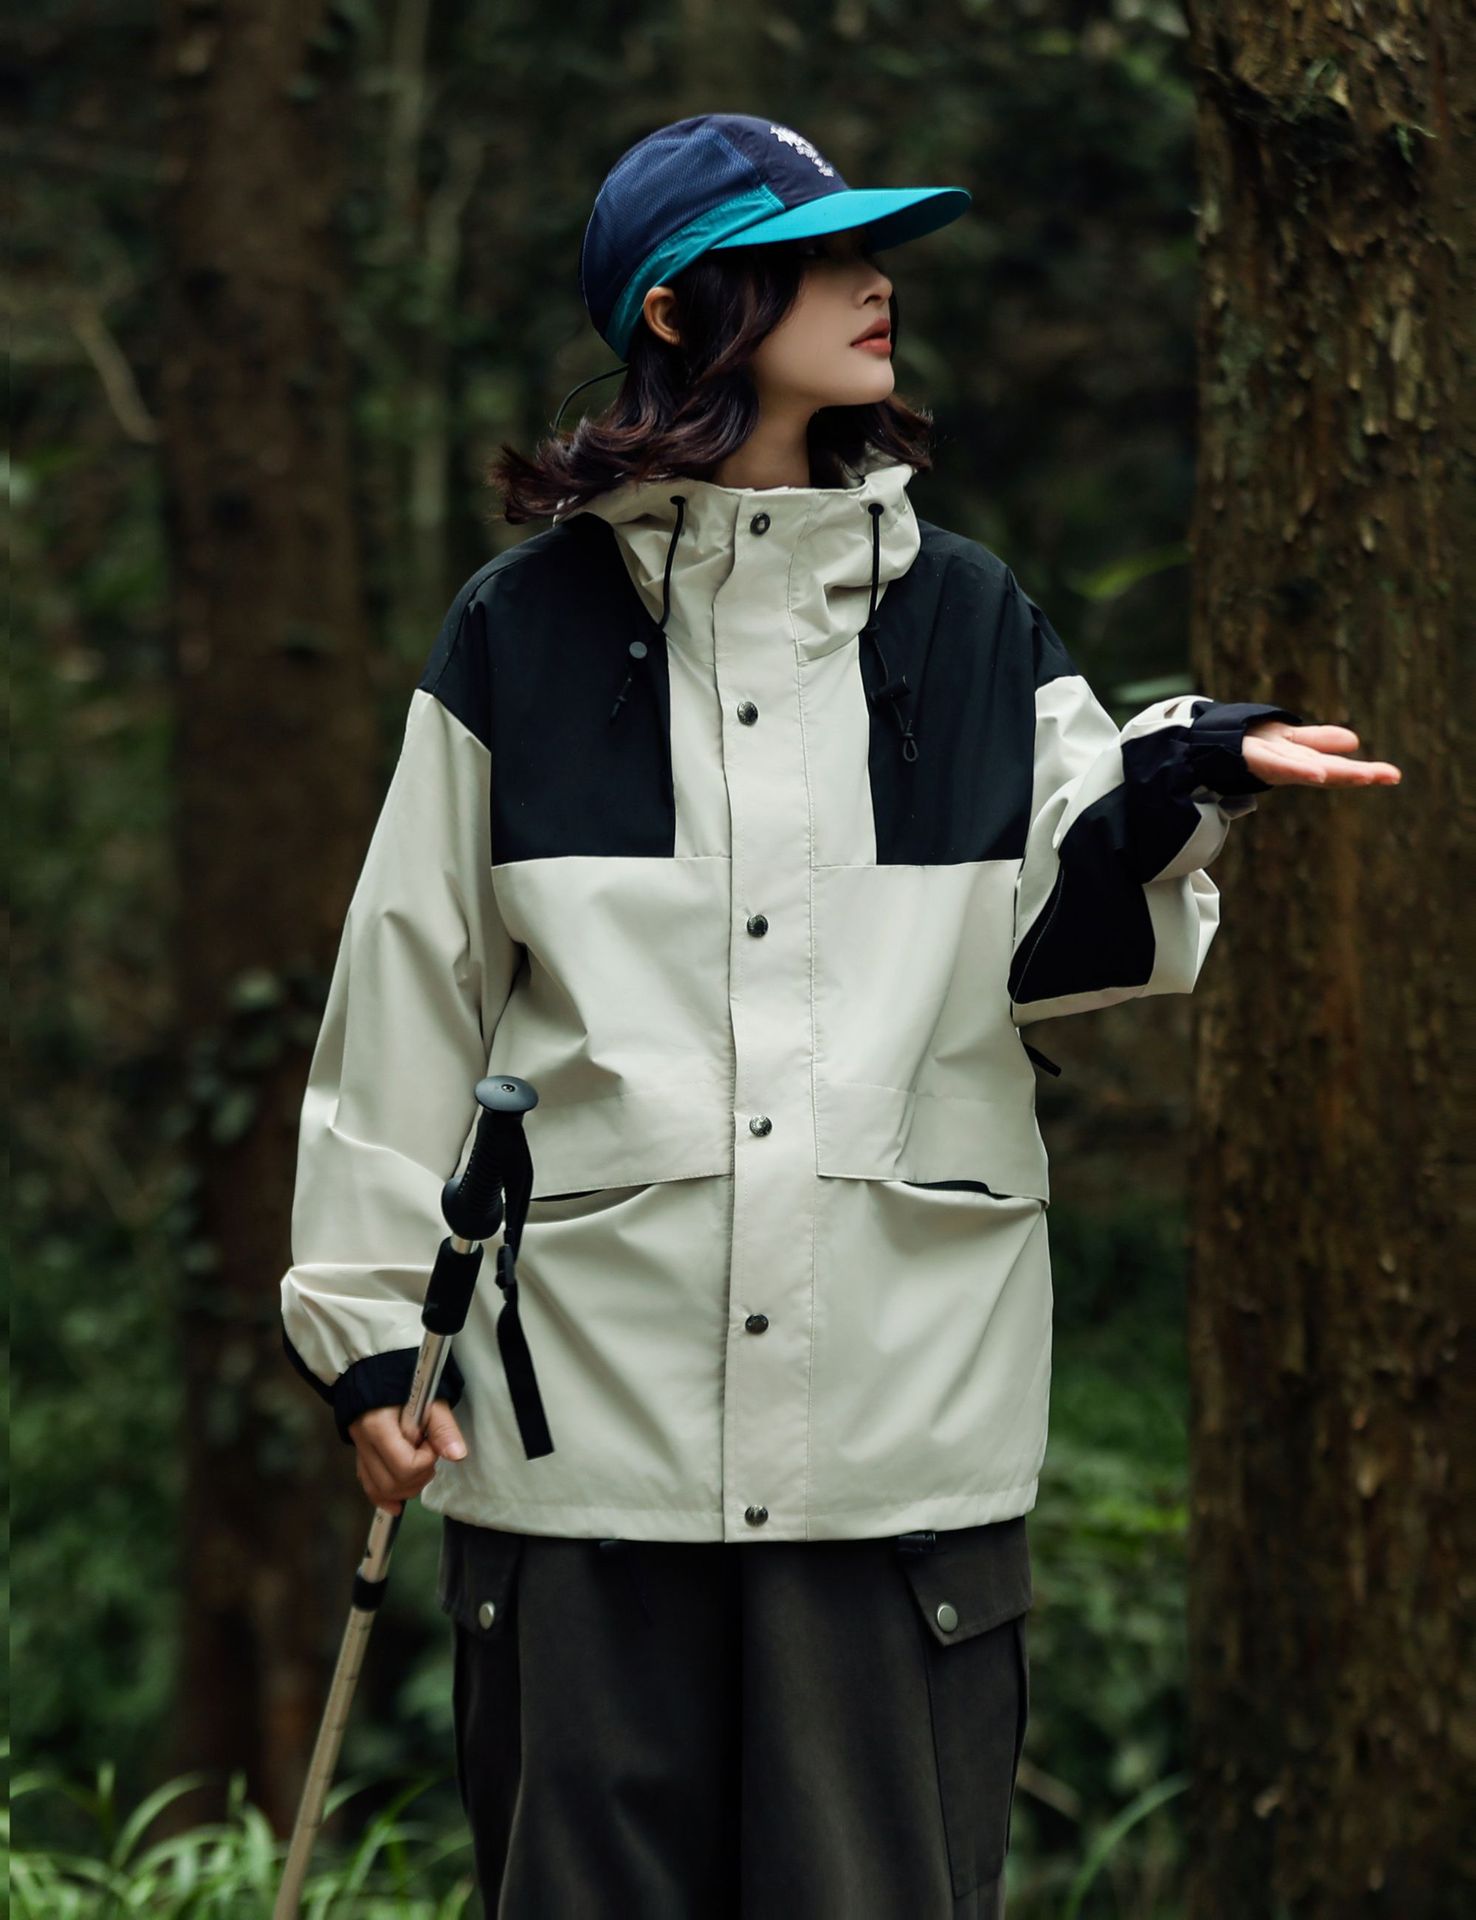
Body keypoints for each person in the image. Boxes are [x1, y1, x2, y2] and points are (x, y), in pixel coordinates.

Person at [279, 113, 1402, 1918]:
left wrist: (1180, 780)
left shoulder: (969, 619)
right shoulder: (519, 635)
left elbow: (1068, 940)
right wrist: (361, 1342)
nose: (878, 282)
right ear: (678, 310)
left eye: (874, 249)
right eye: (819, 256)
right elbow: (407, 993)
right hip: (587, 1461)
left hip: (898, 1458)